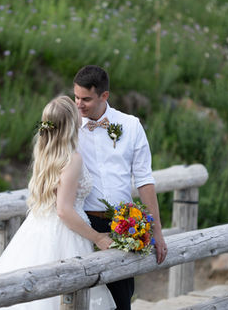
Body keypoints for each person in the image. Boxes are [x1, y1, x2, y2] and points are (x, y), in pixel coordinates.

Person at [0, 96, 115, 310]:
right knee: (68, 295)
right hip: (65, 235)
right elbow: (64, 211)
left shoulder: (45, 151)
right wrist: (98, 238)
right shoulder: (72, 159)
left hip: (37, 228)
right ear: (71, 122)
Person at [74, 65, 168, 310]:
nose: (79, 105)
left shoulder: (132, 125)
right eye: (75, 97)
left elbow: (145, 180)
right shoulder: (69, 128)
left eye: (86, 99)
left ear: (104, 96)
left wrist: (156, 231)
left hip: (122, 225)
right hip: (82, 225)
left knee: (120, 301)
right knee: (83, 300)